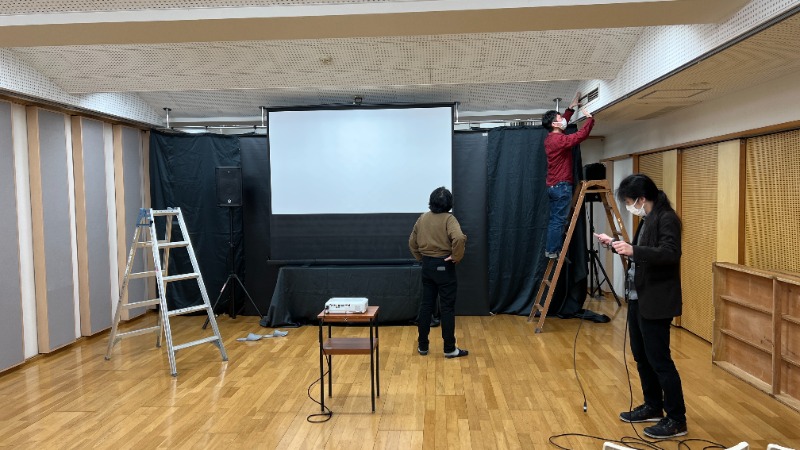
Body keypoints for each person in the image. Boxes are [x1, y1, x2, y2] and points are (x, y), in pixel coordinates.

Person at [593, 174, 687, 439]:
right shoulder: (647, 218)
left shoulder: (666, 218)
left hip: (656, 300)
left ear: (641, 199)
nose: (628, 206)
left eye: (629, 202)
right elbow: (642, 252)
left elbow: (670, 253)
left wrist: (633, 250)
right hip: (638, 298)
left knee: (660, 360)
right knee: (641, 356)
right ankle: (653, 405)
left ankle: (677, 419)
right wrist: (616, 246)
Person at [409, 187, 468, 358]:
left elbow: (412, 242)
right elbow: (459, 238)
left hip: (427, 266)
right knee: (447, 308)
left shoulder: (422, 218)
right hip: (444, 266)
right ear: (449, 203)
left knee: (426, 306)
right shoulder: (449, 219)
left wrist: (421, 258)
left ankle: (422, 346)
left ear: (431, 201)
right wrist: (456, 257)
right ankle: (449, 349)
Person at [541, 92, 595, 258]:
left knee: (555, 220)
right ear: (554, 123)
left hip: (553, 186)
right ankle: (552, 251)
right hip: (561, 186)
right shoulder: (558, 140)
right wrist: (590, 119)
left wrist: (570, 109)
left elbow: (563, 122)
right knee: (558, 221)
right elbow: (580, 136)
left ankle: (551, 249)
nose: (563, 120)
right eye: (560, 118)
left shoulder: (551, 138)